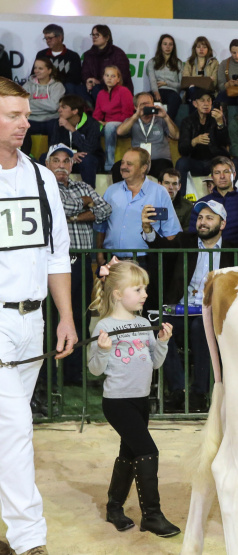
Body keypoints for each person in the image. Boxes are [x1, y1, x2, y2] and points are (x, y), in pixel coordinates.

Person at [0, 78, 76, 555]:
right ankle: (30, 540)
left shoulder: (42, 177)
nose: (25, 124)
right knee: (16, 428)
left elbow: (56, 252)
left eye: (26, 115)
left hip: (34, 322)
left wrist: (66, 316)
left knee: (7, 429)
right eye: (13, 115)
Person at [87, 259, 181, 538]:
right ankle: (152, 515)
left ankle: (114, 508)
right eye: (138, 290)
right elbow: (95, 369)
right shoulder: (104, 326)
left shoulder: (142, 323)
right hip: (118, 402)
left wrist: (162, 343)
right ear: (118, 294)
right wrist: (103, 350)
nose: (145, 295)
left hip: (141, 399)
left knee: (129, 453)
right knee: (148, 451)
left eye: (145, 289)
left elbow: (154, 363)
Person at [143, 200, 234, 413]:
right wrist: (148, 230)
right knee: (161, 328)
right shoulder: (185, 240)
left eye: (209, 218)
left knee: (201, 327)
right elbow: (161, 248)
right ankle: (178, 392)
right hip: (180, 310)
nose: (202, 222)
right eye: (200, 218)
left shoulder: (232, 250)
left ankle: (199, 394)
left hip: (213, 315)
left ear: (222, 224)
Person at [47, 143, 111, 385]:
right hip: (55, 264)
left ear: (72, 164)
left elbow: (105, 210)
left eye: (66, 161)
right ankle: (49, 376)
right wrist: (84, 205)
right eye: (56, 160)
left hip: (82, 262)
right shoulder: (44, 186)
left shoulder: (83, 186)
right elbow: (56, 208)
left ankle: (73, 374)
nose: (61, 165)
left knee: (80, 317)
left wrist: (71, 215)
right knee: (52, 318)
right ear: (47, 164)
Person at [94, 147, 182, 306]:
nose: (123, 167)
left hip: (145, 263)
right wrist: (100, 254)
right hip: (114, 262)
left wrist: (164, 264)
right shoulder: (111, 191)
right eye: (123, 163)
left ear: (143, 168)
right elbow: (101, 225)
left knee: (144, 309)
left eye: (129, 164)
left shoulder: (159, 192)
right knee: (114, 309)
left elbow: (171, 233)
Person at [112, 92, 179, 181]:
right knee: (117, 168)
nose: (146, 107)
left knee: (165, 168)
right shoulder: (132, 120)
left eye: (148, 104)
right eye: (143, 104)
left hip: (159, 161)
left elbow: (176, 135)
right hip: (137, 162)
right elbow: (120, 132)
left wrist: (166, 117)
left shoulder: (161, 119)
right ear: (136, 107)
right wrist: (135, 116)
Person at [176, 89, 228, 196]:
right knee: (181, 163)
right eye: (202, 100)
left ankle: (227, 196)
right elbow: (182, 149)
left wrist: (220, 124)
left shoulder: (217, 118)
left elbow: (224, 142)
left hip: (213, 162)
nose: (206, 103)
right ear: (195, 103)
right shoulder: (187, 121)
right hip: (195, 162)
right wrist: (194, 141)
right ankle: (181, 199)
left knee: (226, 162)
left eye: (209, 100)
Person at [186, 157, 238, 244]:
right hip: (207, 251)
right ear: (212, 177)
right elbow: (192, 235)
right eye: (217, 173)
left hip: (237, 251)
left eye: (226, 172)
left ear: (234, 174)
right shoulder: (201, 204)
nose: (222, 176)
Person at [47, 94, 102, 187]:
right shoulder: (58, 123)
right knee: (44, 157)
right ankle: (48, 189)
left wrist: (72, 130)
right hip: (66, 159)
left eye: (64, 107)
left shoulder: (92, 124)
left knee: (86, 159)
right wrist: (70, 155)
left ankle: (89, 192)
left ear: (75, 111)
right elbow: (53, 147)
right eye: (59, 107)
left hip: (86, 161)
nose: (59, 110)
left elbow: (89, 149)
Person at [93, 66, 134, 171]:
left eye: (113, 76)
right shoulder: (101, 94)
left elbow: (128, 115)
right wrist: (97, 122)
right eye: (107, 75)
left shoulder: (124, 91)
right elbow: (97, 114)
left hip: (124, 124)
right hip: (107, 125)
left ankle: (109, 165)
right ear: (103, 77)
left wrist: (107, 123)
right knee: (91, 126)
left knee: (110, 126)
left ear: (118, 79)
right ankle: (95, 162)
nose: (109, 78)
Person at [22, 57, 65, 156]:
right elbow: (24, 105)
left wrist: (32, 102)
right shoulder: (28, 86)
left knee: (57, 127)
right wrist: (46, 105)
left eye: (40, 68)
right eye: (35, 68)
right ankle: (24, 159)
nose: (36, 71)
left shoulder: (58, 86)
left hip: (51, 120)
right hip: (31, 120)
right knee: (21, 126)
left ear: (49, 70)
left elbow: (54, 106)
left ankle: (52, 158)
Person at [80, 24, 133, 104]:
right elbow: (85, 73)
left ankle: (104, 108)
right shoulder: (88, 54)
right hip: (93, 86)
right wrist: (88, 81)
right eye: (93, 35)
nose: (94, 37)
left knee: (98, 89)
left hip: (113, 87)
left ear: (107, 38)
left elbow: (121, 75)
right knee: (77, 88)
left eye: (97, 35)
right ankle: (89, 107)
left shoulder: (118, 53)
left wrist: (99, 82)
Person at [35, 24, 82, 95]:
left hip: (64, 88)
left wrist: (55, 84)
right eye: (46, 38)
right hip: (44, 86)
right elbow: (34, 74)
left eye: (50, 38)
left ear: (60, 37)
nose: (48, 41)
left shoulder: (73, 56)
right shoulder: (41, 54)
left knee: (70, 87)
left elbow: (75, 79)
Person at [145, 34, 184, 121]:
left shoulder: (178, 63)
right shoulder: (152, 62)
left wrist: (166, 83)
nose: (168, 47)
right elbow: (152, 80)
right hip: (156, 90)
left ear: (173, 47)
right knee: (144, 99)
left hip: (172, 91)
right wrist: (156, 92)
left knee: (175, 99)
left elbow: (181, 85)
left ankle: (167, 123)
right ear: (160, 46)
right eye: (165, 44)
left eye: (170, 44)